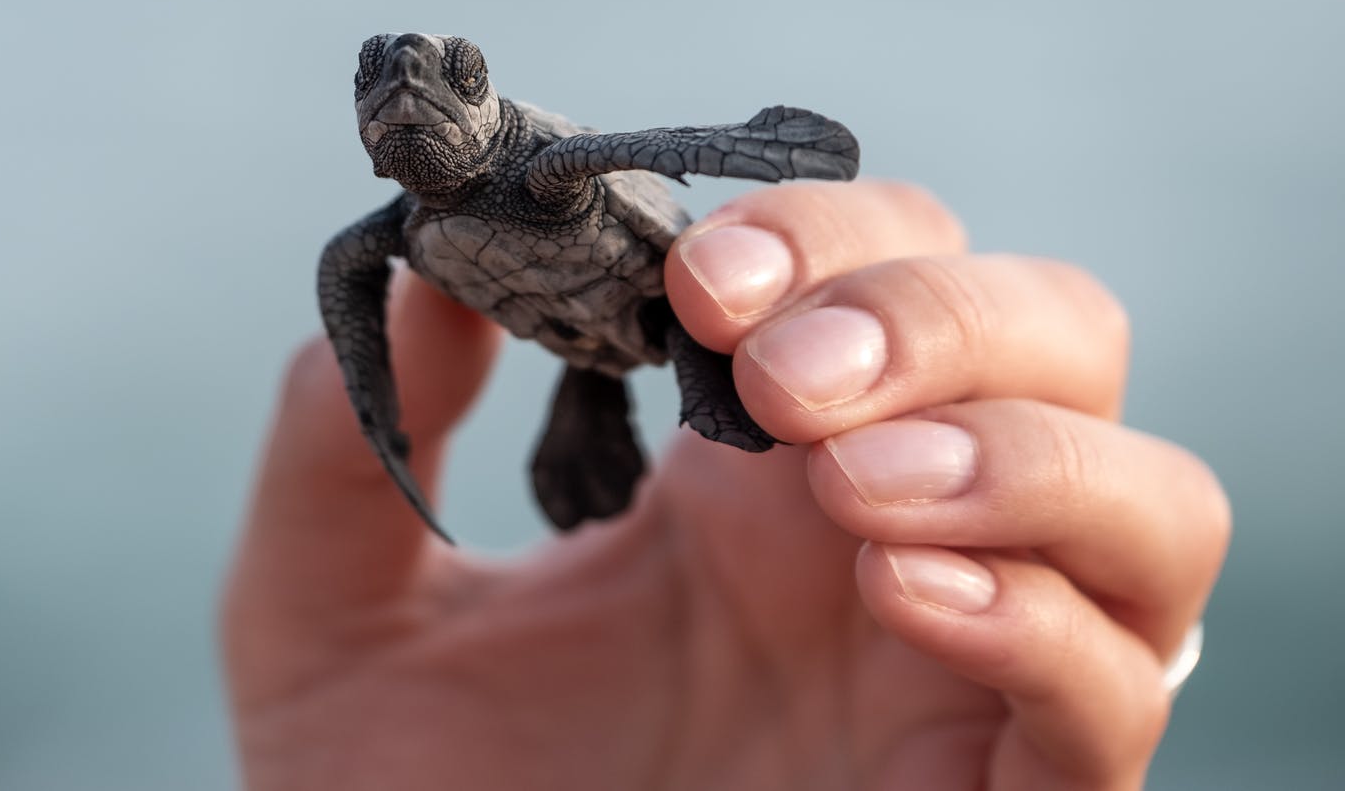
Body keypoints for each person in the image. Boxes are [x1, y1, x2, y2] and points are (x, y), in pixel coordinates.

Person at [220, 181, 1230, 790]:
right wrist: (380, 433)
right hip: (581, 347)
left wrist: (755, 158)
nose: (401, 99)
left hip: (659, 310)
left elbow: (664, 184)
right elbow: (359, 335)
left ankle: (755, 384)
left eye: (447, 80)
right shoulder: (379, 240)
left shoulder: (544, 169)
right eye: (373, 84)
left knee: (738, 337)